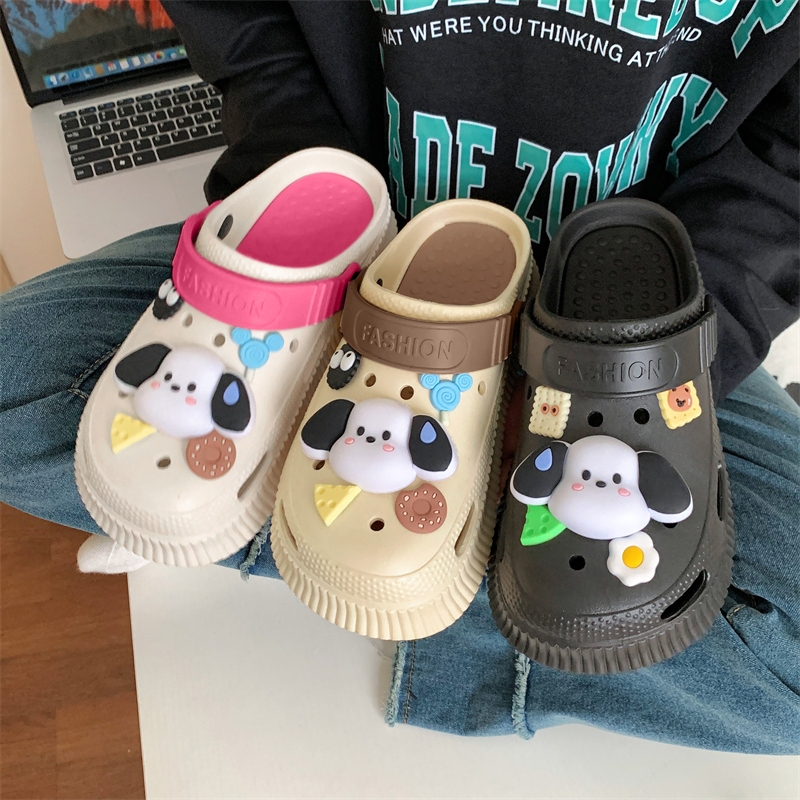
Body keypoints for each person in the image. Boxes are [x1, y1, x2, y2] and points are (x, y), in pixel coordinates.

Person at [1, 0, 798, 752]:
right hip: (359, 256)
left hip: (636, 297)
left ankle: (341, 543)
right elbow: (247, 33)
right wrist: (313, 198)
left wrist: (692, 331)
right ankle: (483, 572)